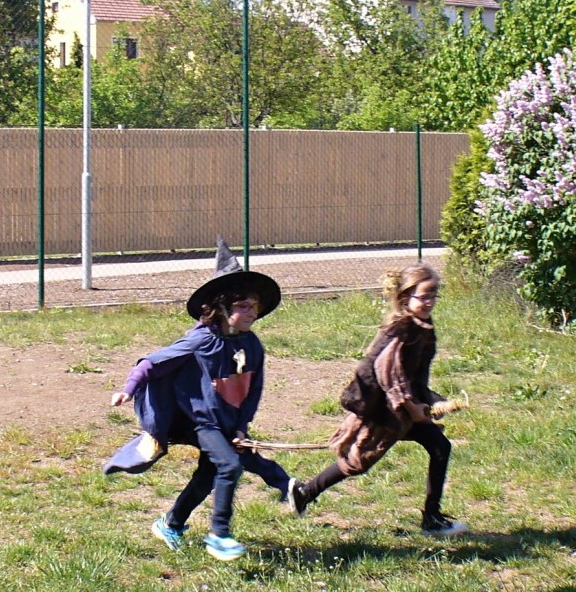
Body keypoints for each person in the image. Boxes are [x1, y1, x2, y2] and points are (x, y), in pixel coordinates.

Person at [105, 237, 292, 561]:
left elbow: (253, 390)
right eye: (243, 306)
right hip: (202, 422)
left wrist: (242, 426)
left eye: (254, 306)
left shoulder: (252, 345)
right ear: (222, 307)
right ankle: (220, 534)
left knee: (208, 475)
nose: (252, 312)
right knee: (229, 466)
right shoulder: (201, 341)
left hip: (228, 423)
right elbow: (152, 363)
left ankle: (171, 524)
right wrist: (129, 388)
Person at [288, 263, 467, 536]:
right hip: (384, 411)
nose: (430, 302)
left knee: (440, 446)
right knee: (358, 462)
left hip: (405, 409)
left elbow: (413, 376)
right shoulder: (402, 329)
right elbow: (388, 374)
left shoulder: (422, 326)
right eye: (424, 296)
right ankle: (304, 492)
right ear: (406, 297)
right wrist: (412, 408)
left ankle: (432, 518)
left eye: (434, 296)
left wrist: (433, 401)